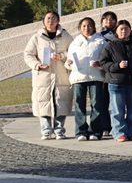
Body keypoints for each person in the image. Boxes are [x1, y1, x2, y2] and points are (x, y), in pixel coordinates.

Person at [23, 11, 74, 140]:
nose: (51, 21)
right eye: (48, 18)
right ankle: (46, 130)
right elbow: (28, 54)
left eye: (54, 18)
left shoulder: (66, 36)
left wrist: (61, 56)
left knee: (61, 102)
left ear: (58, 20)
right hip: (43, 76)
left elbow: (73, 52)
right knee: (43, 103)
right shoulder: (37, 37)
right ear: (43, 21)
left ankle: (59, 130)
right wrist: (37, 65)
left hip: (61, 76)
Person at [98, 20, 132, 142]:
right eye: (121, 29)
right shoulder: (110, 46)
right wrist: (117, 66)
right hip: (116, 82)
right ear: (116, 31)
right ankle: (119, 132)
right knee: (117, 110)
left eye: (126, 29)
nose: (124, 31)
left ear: (130, 30)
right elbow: (103, 63)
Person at [65, 17, 106, 141]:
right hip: (78, 78)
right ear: (80, 28)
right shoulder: (75, 42)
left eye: (89, 26)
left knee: (96, 105)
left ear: (94, 27)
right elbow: (68, 61)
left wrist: (100, 64)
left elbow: (106, 59)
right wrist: (69, 63)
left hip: (96, 76)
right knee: (79, 105)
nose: (86, 28)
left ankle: (95, 131)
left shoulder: (101, 41)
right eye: (84, 26)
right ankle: (81, 131)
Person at [97, 10, 118, 136]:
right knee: (103, 101)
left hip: (117, 71)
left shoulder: (120, 34)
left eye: (111, 19)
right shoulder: (98, 36)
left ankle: (118, 126)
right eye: (106, 19)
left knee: (117, 102)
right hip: (103, 72)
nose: (109, 21)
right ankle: (105, 126)